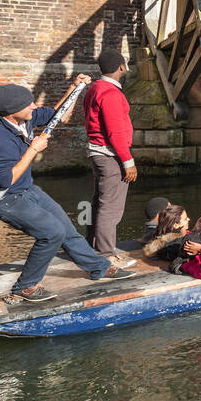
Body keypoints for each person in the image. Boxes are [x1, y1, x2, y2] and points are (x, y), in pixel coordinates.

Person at [0, 79, 136, 302]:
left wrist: (73, 89)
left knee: (65, 226)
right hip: (1, 197)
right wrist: (33, 149)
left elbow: (58, 116)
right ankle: (25, 287)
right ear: (12, 111)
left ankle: (98, 267)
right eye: (28, 104)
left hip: (26, 187)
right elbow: (5, 181)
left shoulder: (23, 119)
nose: (33, 107)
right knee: (51, 233)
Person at [83, 48, 136, 261]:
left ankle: (91, 247)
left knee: (100, 202)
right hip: (110, 155)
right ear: (121, 67)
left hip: (97, 153)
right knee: (111, 207)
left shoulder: (95, 88)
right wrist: (128, 161)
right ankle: (105, 254)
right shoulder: (111, 93)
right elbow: (115, 132)